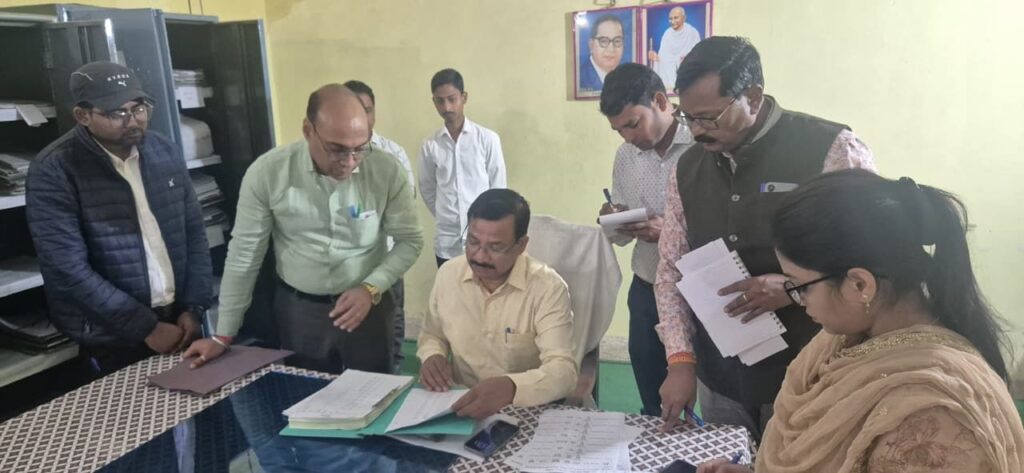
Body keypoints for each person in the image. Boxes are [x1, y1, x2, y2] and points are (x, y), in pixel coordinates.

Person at [698, 170, 1024, 473]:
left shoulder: (932, 420)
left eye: (799, 286)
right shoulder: (839, 341)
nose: (798, 299)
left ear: (860, 285)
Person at [655, 36, 877, 439]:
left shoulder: (831, 150)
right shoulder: (686, 168)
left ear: (753, 97)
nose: (698, 131)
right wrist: (681, 360)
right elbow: (670, 268)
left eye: (709, 118)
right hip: (720, 375)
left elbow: (872, 261)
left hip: (812, 371)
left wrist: (794, 289)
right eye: (688, 118)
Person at [185, 84, 422, 374]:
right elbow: (244, 256)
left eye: (360, 148)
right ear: (308, 130)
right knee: (308, 393)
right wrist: (222, 335)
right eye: (337, 149)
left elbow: (410, 241)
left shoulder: (386, 170)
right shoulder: (268, 173)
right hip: (301, 312)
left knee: (375, 391)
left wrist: (371, 287)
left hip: (367, 308)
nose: (349, 162)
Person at [26, 61, 212, 375]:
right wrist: (145, 327)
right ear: (83, 116)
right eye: (117, 113)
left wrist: (194, 307)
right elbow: (66, 268)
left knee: (197, 400)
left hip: (179, 321)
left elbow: (193, 233)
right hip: (111, 333)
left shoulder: (164, 151)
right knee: (132, 408)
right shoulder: (55, 169)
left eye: (139, 108)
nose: (133, 120)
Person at [417, 189, 577, 419]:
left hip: (523, 408)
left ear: (521, 245)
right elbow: (432, 334)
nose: (480, 257)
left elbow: (563, 370)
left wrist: (513, 387)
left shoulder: (547, 288)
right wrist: (433, 355)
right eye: (473, 242)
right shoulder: (448, 274)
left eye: (495, 247)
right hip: (460, 405)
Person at [597, 63, 694, 416]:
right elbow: (623, 233)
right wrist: (614, 218)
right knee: (652, 393)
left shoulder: (700, 147)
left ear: (660, 101)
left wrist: (667, 232)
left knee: (707, 392)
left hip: (695, 290)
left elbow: (724, 229)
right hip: (646, 286)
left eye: (633, 123)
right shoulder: (626, 156)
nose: (627, 137)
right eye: (618, 129)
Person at [344, 79, 413, 373]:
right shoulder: (333, 156)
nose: (363, 117)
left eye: (368, 109)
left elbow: (403, 206)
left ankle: (393, 371)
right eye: (355, 109)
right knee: (350, 327)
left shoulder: (393, 155)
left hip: (386, 257)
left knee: (392, 318)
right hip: (346, 262)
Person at [418, 68, 506, 267]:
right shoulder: (430, 145)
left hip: (484, 239)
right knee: (449, 287)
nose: (446, 107)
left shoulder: (487, 139)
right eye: (440, 101)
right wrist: (446, 214)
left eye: (452, 99)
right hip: (446, 241)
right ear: (434, 102)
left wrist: (489, 222)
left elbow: (498, 188)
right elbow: (427, 188)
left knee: (485, 286)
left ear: (464, 97)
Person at [647, 7, 701, 90]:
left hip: (687, 66)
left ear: (684, 18)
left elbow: (697, 54)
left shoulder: (692, 32)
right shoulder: (667, 34)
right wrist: (656, 58)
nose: (672, 21)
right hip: (670, 67)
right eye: (670, 19)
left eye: (676, 18)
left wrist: (687, 57)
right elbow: (663, 56)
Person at [580, 14, 626, 92]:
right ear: (591, 45)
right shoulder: (580, 78)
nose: (611, 49)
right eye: (604, 41)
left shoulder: (627, 77)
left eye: (617, 41)